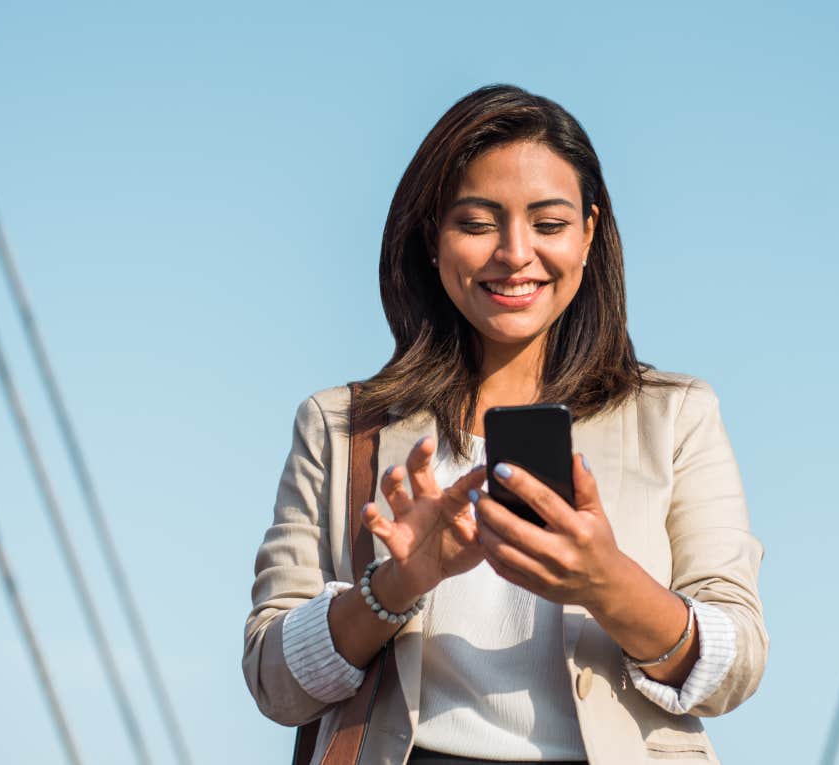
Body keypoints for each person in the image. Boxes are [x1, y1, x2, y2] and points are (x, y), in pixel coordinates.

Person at [243, 84, 768, 765]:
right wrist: (394, 585)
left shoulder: (675, 415)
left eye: (548, 224)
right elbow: (273, 681)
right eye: (479, 222)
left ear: (588, 233)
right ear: (432, 237)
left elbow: (736, 665)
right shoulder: (342, 426)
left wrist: (606, 581)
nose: (516, 253)